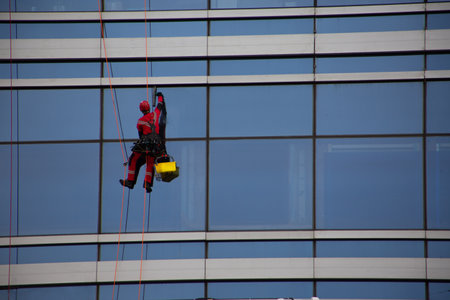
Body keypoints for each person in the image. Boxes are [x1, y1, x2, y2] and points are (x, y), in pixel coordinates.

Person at [120, 92, 167, 193]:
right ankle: (147, 184)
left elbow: (140, 135)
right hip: (156, 145)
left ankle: (130, 181)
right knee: (150, 163)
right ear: (149, 108)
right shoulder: (155, 114)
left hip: (146, 143)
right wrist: (160, 96)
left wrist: (142, 144)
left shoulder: (140, 121)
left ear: (141, 110)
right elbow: (160, 105)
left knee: (133, 159)